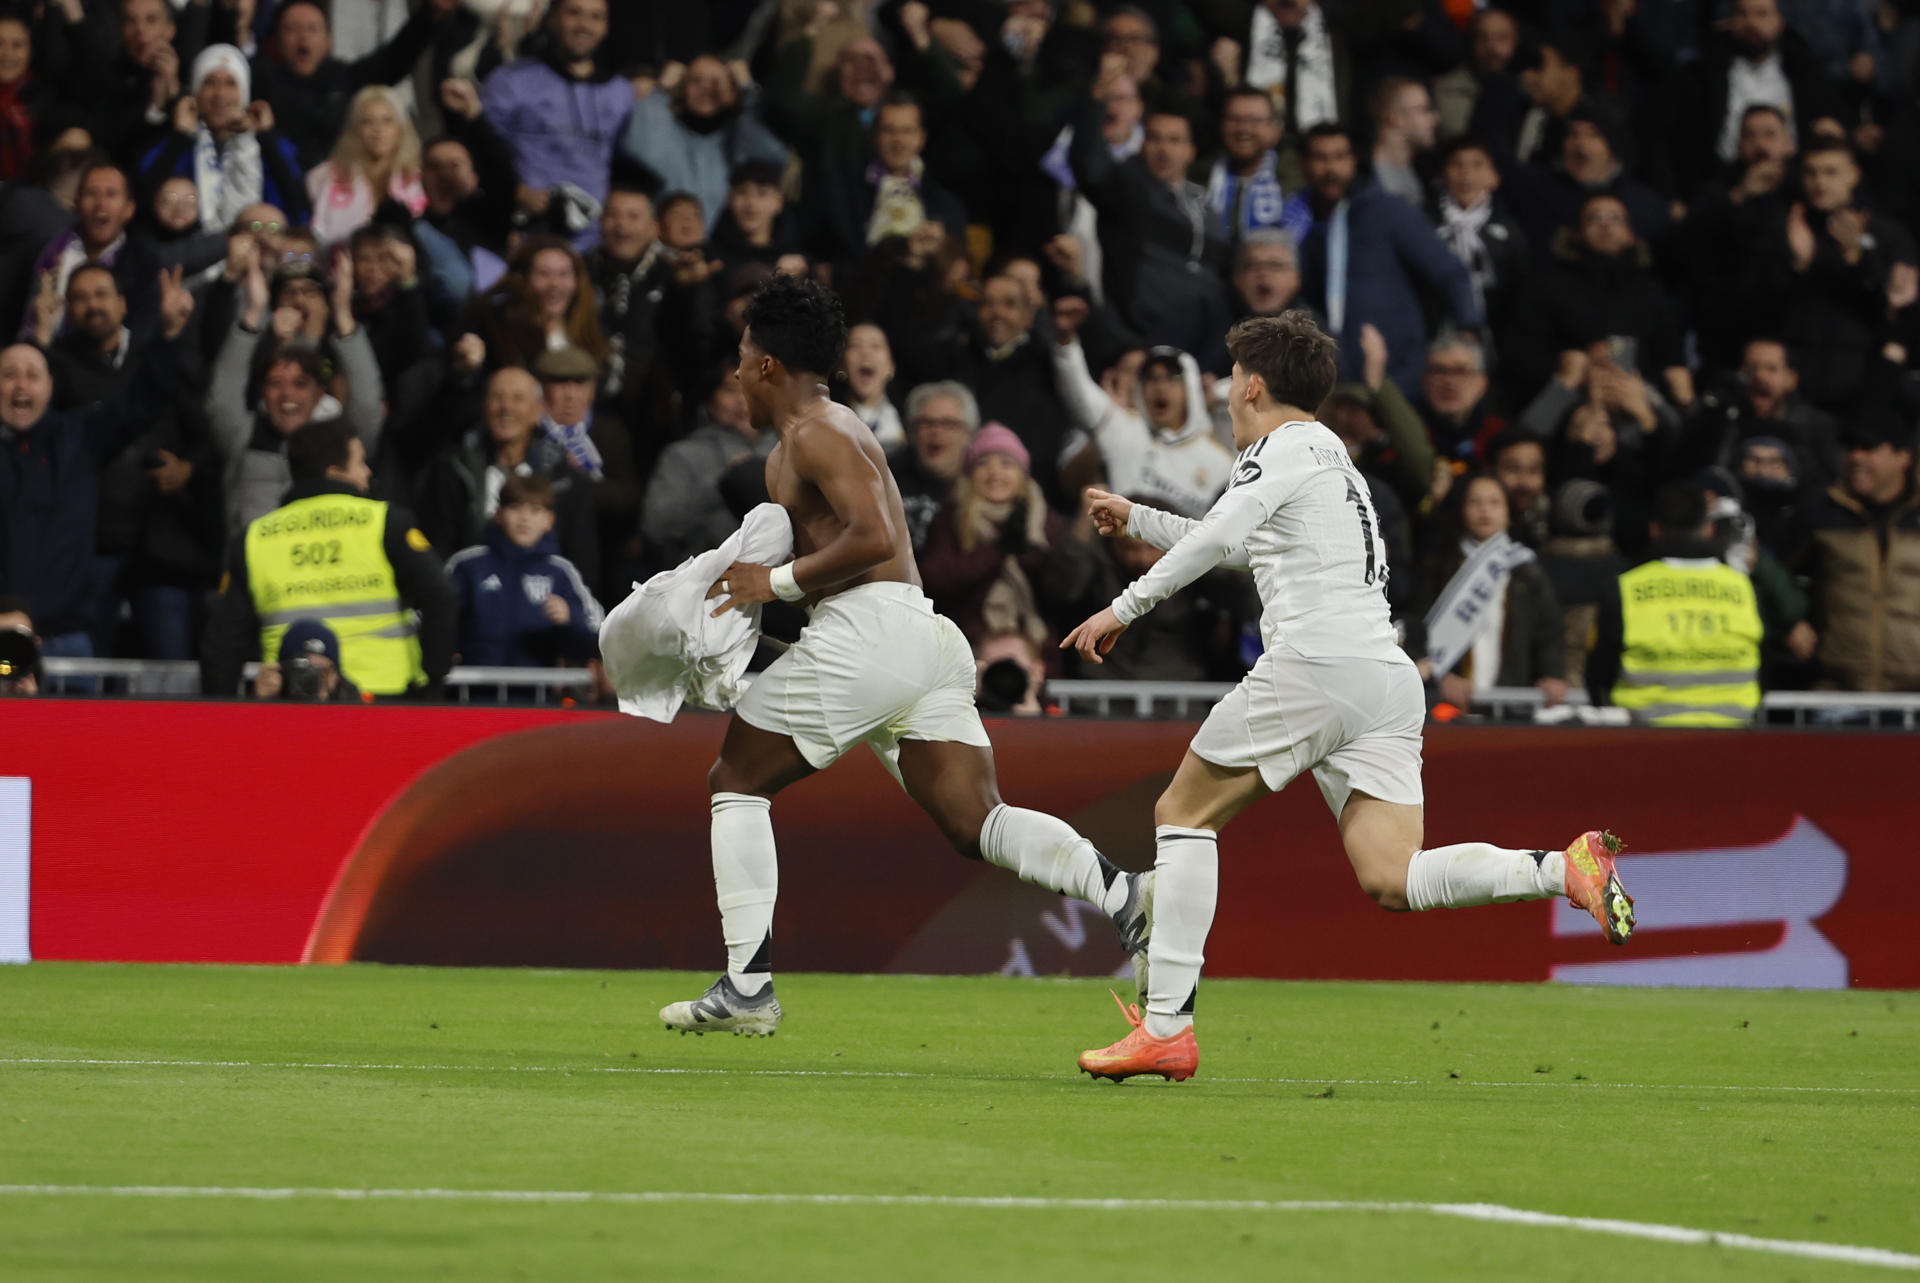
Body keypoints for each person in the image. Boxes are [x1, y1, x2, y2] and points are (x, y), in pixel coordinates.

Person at [1060, 311, 1634, 1083]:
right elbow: (1237, 544)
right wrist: (1139, 517)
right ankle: (1560, 869)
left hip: (1316, 664)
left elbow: (1216, 542)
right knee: (1393, 876)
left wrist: (1120, 608)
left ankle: (1167, 1026)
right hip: (1385, 678)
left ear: (1255, 384)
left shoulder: (1278, 451)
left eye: (1231, 381)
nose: (1226, 396)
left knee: (1181, 814)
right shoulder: (1329, 459)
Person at [656, 275, 1151, 1036]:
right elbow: (854, 570)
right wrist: (752, 623)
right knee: (975, 820)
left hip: (873, 635)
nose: (733, 372)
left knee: (737, 779)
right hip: (914, 637)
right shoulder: (824, 433)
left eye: (741, 355)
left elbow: (874, 538)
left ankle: (748, 986)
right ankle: (1124, 894)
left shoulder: (815, 433)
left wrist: (773, 581)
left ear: (765, 366)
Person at [0, 268, 196, 660]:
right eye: (8, 376)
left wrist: (170, 334)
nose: (21, 385)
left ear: (50, 387)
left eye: (32, 376)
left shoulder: (81, 436)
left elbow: (141, 399)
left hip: (68, 638)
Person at [202, 418, 456, 699]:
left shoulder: (255, 538)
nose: (368, 472)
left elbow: (223, 644)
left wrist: (221, 711)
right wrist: (432, 685)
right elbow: (441, 599)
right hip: (384, 701)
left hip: (290, 702)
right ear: (335, 472)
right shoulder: (385, 523)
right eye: (360, 463)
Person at [1588, 480, 1765, 723]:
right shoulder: (1745, 589)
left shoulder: (1625, 589)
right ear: (1709, 530)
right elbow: (1764, 672)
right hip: (1732, 745)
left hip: (1646, 746)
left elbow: (1599, 676)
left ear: (1654, 530)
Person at [480, 0, 634, 249]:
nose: (584, 25)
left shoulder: (621, 92)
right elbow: (482, 151)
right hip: (527, 234)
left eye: (596, 17)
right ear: (551, 18)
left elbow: (623, 163)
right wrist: (515, 193)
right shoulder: (510, 81)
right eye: (574, 13)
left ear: (606, 27)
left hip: (595, 241)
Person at [1412, 473, 1568, 709]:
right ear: (1461, 509)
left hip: (1511, 702)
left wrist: (1552, 674)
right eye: (1475, 502)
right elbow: (1417, 628)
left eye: (1495, 503)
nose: (1485, 510)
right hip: (1451, 703)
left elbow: (1550, 631)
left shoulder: (1525, 570)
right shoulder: (1440, 565)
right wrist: (1440, 678)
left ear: (1508, 513)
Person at [1792, 410, 1920, 690]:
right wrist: (1791, 621)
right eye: (1851, 448)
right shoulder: (1821, 512)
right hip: (1839, 691)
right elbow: (1776, 570)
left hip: (1915, 697)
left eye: (1869, 448)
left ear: (1903, 457)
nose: (1856, 457)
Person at [919, 424, 1065, 648]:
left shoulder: (1046, 521)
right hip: (966, 645)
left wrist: (1029, 553)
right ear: (970, 475)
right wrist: (997, 551)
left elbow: (1061, 591)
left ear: (1022, 474)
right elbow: (935, 580)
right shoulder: (950, 519)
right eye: (983, 463)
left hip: (1035, 646)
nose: (994, 472)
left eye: (1006, 464)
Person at [446, 473, 603, 668]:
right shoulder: (467, 565)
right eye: (514, 507)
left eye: (535, 510)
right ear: (498, 514)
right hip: (468, 692)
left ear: (549, 520)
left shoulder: (561, 572)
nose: (524, 518)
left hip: (537, 695)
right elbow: (433, 618)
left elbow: (599, 635)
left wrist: (571, 618)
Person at [303, 86, 426, 249]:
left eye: (387, 121)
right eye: (368, 121)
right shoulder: (322, 177)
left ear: (401, 128)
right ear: (355, 129)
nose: (378, 130)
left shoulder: (419, 178)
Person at [251, 617, 362, 701]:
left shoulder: (356, 708)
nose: (309, 679)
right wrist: (261, 703)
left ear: (337, 676)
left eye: (322, 672)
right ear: (282, 672)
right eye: (302, 669)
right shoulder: (270, 698)